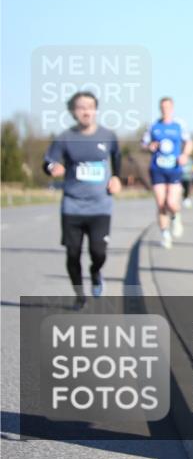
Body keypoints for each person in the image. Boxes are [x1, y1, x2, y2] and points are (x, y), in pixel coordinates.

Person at [43, 91, 122, 310]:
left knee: (99, 252)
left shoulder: (108, 136)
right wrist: (52, 168)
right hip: (72, 205)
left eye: (90, 107)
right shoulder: (65, 138)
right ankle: (79, 295)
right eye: (81, 107)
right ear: (72, 111)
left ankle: (96, 273)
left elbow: (117, 158)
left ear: (96, 110)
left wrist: (117, 177)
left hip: (101, 206)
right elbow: (48, 161)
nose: (86, 111)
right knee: (72, 254)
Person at [142, 97, 192, 249]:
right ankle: (165, 234)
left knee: (171, 202)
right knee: (160, 203)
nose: (165, 110)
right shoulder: (154, 126)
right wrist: (149, 146)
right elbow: (143, 143)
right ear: (160, 109)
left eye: (168, 107)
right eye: (163, 107)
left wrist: (185, 155)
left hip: (174, 168)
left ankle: (176, 217)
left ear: (172, 108)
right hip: (157, 168)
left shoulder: (179, 125)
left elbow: (189, 142)